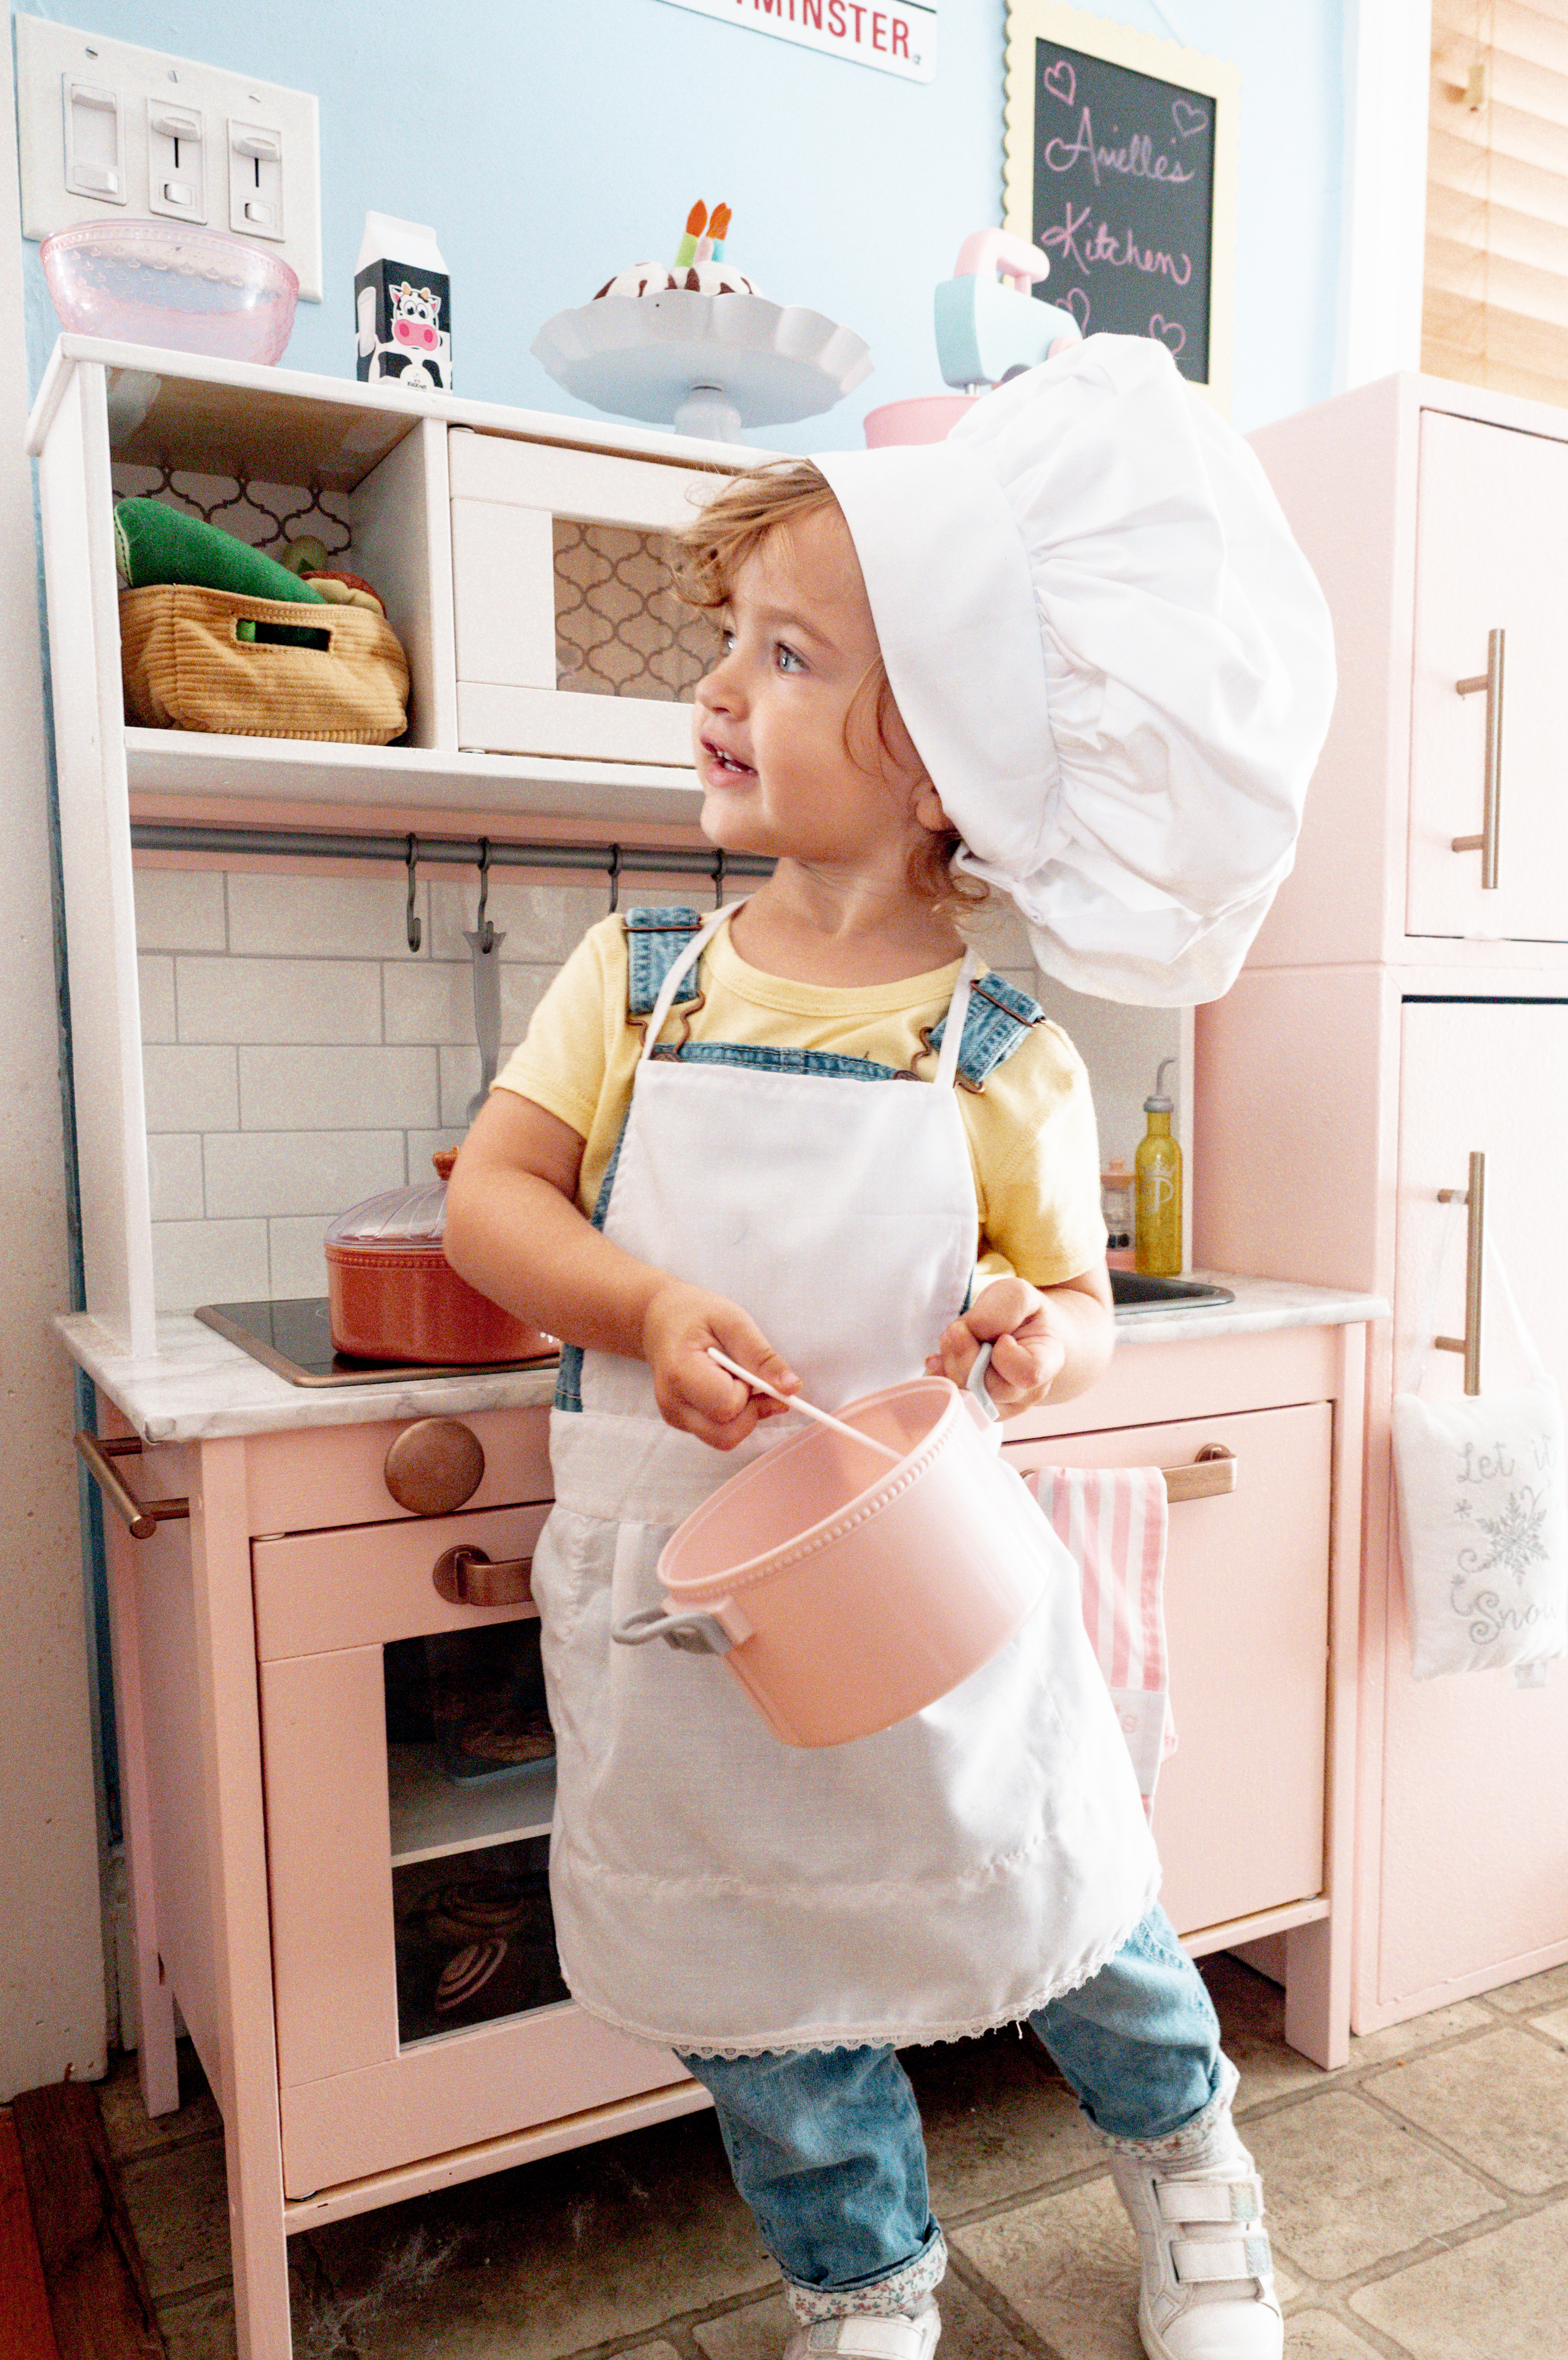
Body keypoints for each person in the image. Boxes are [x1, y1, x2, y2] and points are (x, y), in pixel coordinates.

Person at [445, 337, 1334, 2360]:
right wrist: (641, 1305)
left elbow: (1080, 1308)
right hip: (683, 1612)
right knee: (750, 1986)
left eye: (788, 656)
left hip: (927, 1609)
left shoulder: (1004, 1052)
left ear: (939, 754)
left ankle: (1191, 2158)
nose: (720, 689)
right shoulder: (632, 980)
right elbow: (492, 1207)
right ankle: (864, 2274)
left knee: (1065, 1899)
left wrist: (1038, 1339)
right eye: (737, 643)